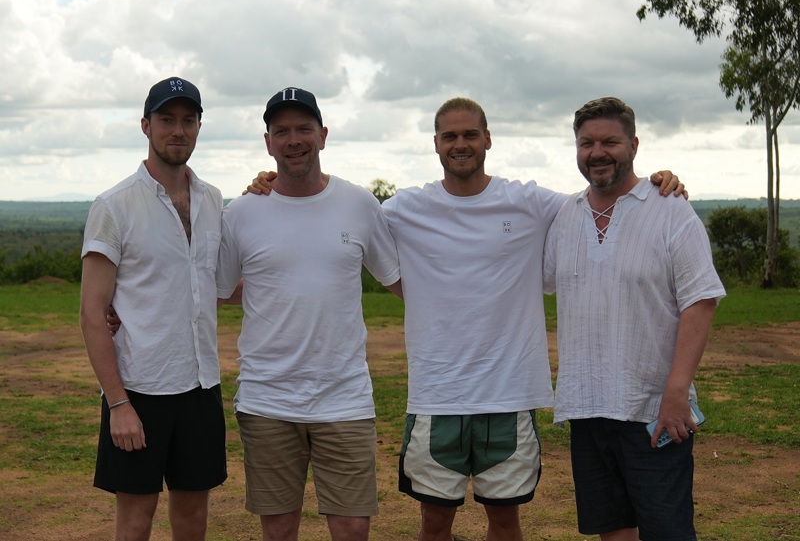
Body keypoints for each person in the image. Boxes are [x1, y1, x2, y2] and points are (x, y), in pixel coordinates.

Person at [248, 96, 682, 541]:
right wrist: (269, 186)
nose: (460, 144)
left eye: (470, 134)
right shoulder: (402, 209)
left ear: (488, 139)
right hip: (437, 396)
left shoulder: (530, 202)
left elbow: (598, 196)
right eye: (450, 136)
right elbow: (330, 210)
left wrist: (654, 183)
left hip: (510, 394)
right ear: (435, 144)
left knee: (505, 522)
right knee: (434, 523)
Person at [215, 87, 402, 541]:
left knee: (353, 526)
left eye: (303, 128)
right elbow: (220, 291)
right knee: (278, 528)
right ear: (268, 141)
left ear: (323, 135)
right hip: (267, 398)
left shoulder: (359, 205)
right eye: (282, 131)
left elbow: (398, 281)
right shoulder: (240, 213)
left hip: (344, 395)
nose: (293, 139)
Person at [543, 96, 725, 541]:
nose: (597, 152)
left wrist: (677, 392)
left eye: (610, 141)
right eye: (586, 143)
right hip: (587, 407)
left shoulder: (669, 210)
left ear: (634, 145)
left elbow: (700, 300)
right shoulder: (563, 216)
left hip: (653, 408)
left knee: (668, 531)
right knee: (613, 531)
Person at [79, 77, 227, 541]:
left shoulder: (213, 200)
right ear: (146, 125)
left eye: (188, 120)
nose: (177, 130)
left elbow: (215, 284)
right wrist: (118, 404)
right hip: (139, 389)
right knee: (135, 522)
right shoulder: (114, 205)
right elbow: (91, 311)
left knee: (193, 520)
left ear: (200, 126)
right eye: (167, 120)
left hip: (201, 385)